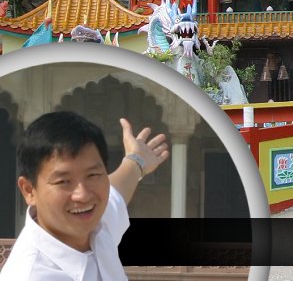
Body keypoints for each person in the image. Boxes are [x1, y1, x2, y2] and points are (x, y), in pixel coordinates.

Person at [2, 111, 169, 280]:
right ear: (29, 190)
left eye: (92, 175)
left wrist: (136, 160)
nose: (83, 195)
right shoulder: (31, 275)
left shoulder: (97, 227)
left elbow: (117, 190)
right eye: (64, 181)